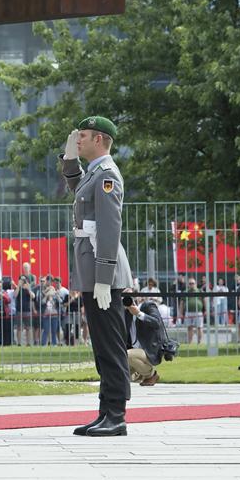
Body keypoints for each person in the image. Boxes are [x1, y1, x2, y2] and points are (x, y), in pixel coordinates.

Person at [61, 116, 132, 437]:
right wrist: (69, 160)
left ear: (100, 139)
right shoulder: (93, 174)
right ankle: (106, 411)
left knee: (111, 345)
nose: (79, 139)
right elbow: (77, 188)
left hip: (103, 272)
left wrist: (104, 275)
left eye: (84, 136)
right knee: (102, 345)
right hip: (93, 270)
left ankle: (115, 414)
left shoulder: (107, 176)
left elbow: (109, 227)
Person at [124, 292, 167, 386]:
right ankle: (139, 373)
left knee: (125, 355)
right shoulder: (125, 313)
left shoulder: (148, 306)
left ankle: (151, 375)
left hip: (149, 349)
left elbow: (157, 323)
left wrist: (138, 314)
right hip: (135, 350)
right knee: (118, 376)